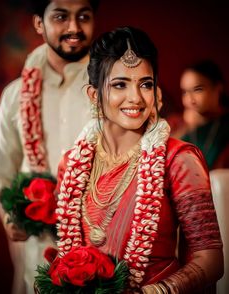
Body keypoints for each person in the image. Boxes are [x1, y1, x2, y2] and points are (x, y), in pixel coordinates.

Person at [55, 27, 223, 293]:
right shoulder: (71, 164)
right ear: (94, 95)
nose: (135, 98)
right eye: (120, 84)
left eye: (145, 84)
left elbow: (210, 260)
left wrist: (152, 292)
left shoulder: (179, 160)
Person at [0, 0, 100, 293]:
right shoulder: (16, 95)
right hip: (36, 254)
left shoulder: (112, 89)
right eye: (61, 16)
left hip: (100, 251)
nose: (74, 28)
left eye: (84, 16)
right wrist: (8, 217)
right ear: (38, 23)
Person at [170, 59, 229, 170]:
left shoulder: (224, 126)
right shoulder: (175, 123)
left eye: (198, 90)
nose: (189, 100)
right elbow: (155, 159)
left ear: (217, 89)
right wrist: (187, 128)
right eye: (184, 92)